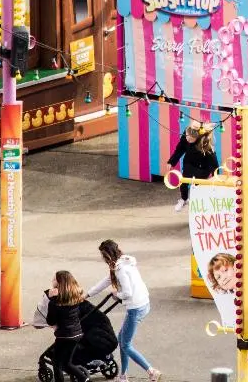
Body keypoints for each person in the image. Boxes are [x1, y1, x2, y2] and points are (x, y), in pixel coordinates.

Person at [86, 240, 160, 382]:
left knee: (125, 344)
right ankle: (123, 376)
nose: (102, 258)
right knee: (122, 339)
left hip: (135, 308)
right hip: (143, 303)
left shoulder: (120, 269)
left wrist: (116, 295)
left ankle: (151, 371)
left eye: (102, 255)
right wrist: (87, 294)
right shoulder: (125, 262)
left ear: (107, 255)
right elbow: (106, 281)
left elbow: (127, 293)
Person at [46, 271, 90, 382]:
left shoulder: (55, 302)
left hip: (64, 336)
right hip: (77, 334)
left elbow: (50, 321)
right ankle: (85, 379)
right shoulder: (74, 296)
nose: (52, 280)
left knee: (57, 363)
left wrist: (51, 299)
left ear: (59, 283)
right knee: (67, 363)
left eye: (54, 279)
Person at [167, 121, 219, 213]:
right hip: (189, 162)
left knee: (197, 187)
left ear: (197, 138)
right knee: (184, 182)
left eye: (191, 140)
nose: (188, 140)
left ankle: (198, 206)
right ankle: (184, 199)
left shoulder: (205, 142)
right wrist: (171, 162)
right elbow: (180, 149)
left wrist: (216, 175)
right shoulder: (186, 135)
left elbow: (213, 160)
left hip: (203, 166)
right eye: (187, 137)